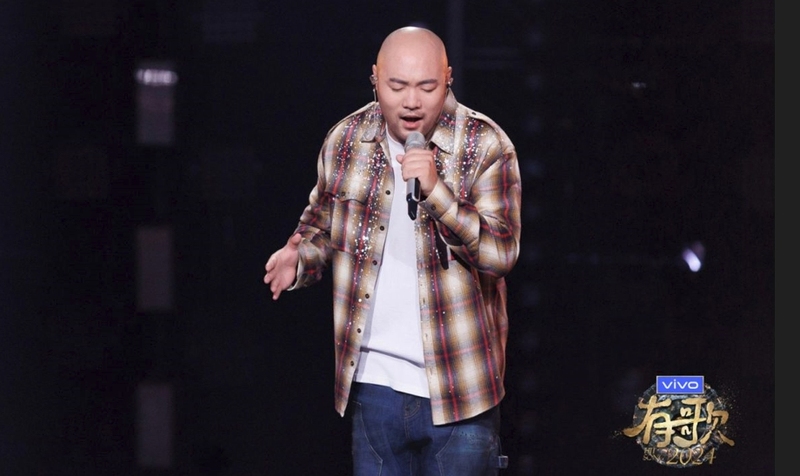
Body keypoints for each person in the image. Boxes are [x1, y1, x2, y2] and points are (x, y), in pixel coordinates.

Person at [263, 26, 521, 476]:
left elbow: (501, 254)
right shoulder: (346, 140)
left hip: (461, 388)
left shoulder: (484, 144)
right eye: (397, 86)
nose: (412, 102)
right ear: (375, 79)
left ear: (449, 79)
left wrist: (437, 193)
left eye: (427, 87)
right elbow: (321, 227)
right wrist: (298, 258)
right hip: (373, 386)